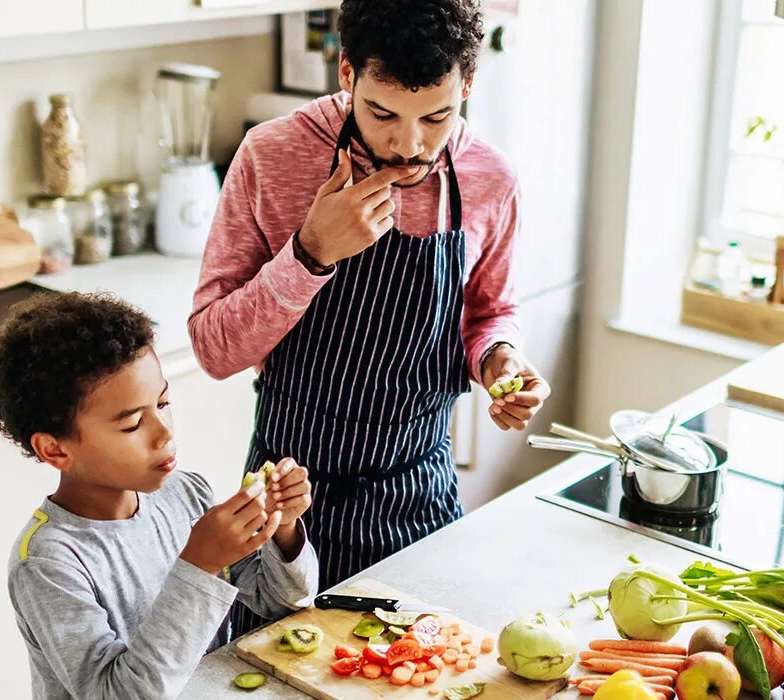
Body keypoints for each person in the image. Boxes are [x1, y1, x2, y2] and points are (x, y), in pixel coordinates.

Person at [189, 0, 551, 631]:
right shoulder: (272, 157)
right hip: (285, 504)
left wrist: (500, 360)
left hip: (419, 495)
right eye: (383, 113)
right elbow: (214, 350)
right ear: (347, 72)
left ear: (469, 84)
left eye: (437, 116)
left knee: (424, 674)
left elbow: (491, 312)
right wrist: (310, 253)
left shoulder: (491, 178)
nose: (407, 144)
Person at [0, 292, 318, 699]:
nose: (165, 432)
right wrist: (200, 563)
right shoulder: (47, 563)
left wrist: (283, 530)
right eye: (131, 425)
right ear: (55, 449)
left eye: (163, 402)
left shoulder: (186, 495)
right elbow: (119, 694)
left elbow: (282, 602)